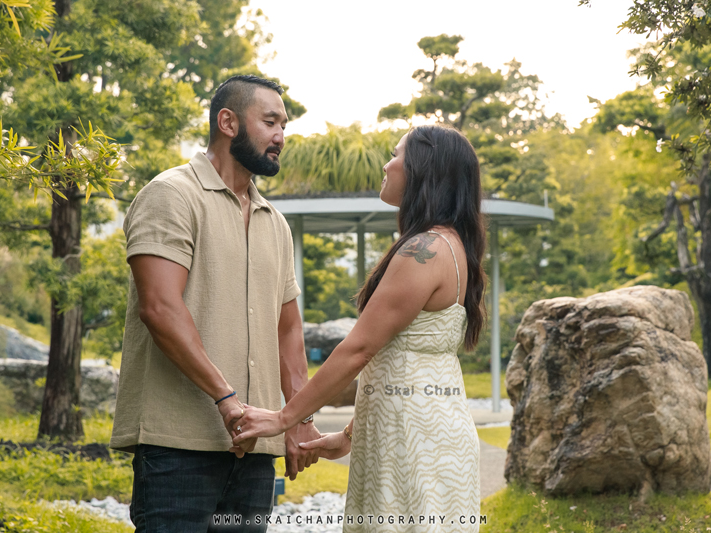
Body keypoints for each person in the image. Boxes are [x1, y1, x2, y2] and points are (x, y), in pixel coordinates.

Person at [231, 124, 487, 532]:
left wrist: (285, 418)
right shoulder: (449, 244)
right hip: (428, 432)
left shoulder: (426, 249)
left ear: (424, 169)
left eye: (396, 154)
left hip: (414, 442)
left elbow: (359, 349)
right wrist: (350, 435)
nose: (387, 164)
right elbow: (404, 356)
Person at [109, 74, 321, 533]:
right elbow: (160, 308)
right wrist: (225, 398)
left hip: (256, 452)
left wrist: (299, 418)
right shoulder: (170, 195)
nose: (280, 136)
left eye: (284, 125)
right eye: (270, 122)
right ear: (227, 121)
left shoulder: (275, 224)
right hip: (176, 445)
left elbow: (287, 330)